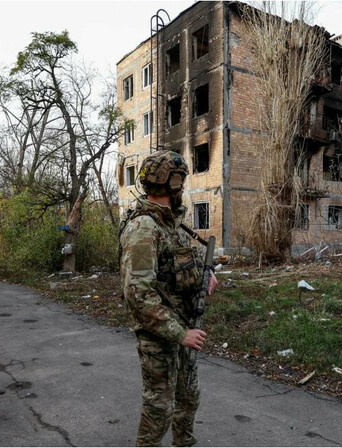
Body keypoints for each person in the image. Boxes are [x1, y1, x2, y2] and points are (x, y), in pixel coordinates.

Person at [119, 150, 217, 447]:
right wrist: (180, 333)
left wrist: (204, 274)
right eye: (181, 179)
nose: (183, 185)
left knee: (188, 398)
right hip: (160, 335)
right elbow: (138, 294)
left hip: (183, 326)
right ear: (172, 182)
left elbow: (178, 263)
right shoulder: (144, 228)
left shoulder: (170, 223)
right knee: (159, 408)